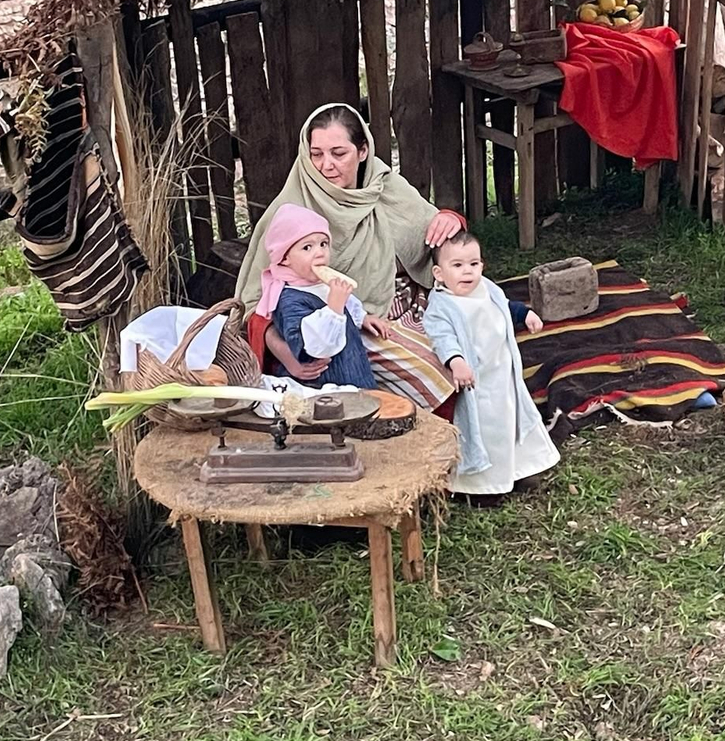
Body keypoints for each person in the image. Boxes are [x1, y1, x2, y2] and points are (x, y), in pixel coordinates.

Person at [236, 103, 464, 409]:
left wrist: (450, 220)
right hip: (340, 323)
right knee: (437, 374)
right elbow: (256, 305)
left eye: (338, 153)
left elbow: (429, 231)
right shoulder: (292, 210)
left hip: (405, 299)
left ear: (363, 151)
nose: (325, 165)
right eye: (316, 154)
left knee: (474, 342)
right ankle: (430, 448)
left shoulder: (383, 185)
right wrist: (288, 356)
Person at [422, 230, 560, 497]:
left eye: (474, 264)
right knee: (488, 430)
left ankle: (521, 469)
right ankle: (483, 487)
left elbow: (503, 305)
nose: (468, 272)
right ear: (439, 274)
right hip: (477, 383)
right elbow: (442, 337)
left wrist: (526, 313)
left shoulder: (486, 288)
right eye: (458, 265)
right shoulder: (442, 306)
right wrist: (457, 361)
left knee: (513, 420)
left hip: (503, 376)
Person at [255, 203, 392, 389]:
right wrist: (333, 309)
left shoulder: (319, 283)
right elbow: (312, 349)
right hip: (325, 385)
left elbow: (347, 302)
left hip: (350, 367)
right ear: (284, 258)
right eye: (307, 248)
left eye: (323, 244)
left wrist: (362, 317)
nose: (319, 253)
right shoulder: (289, 300)